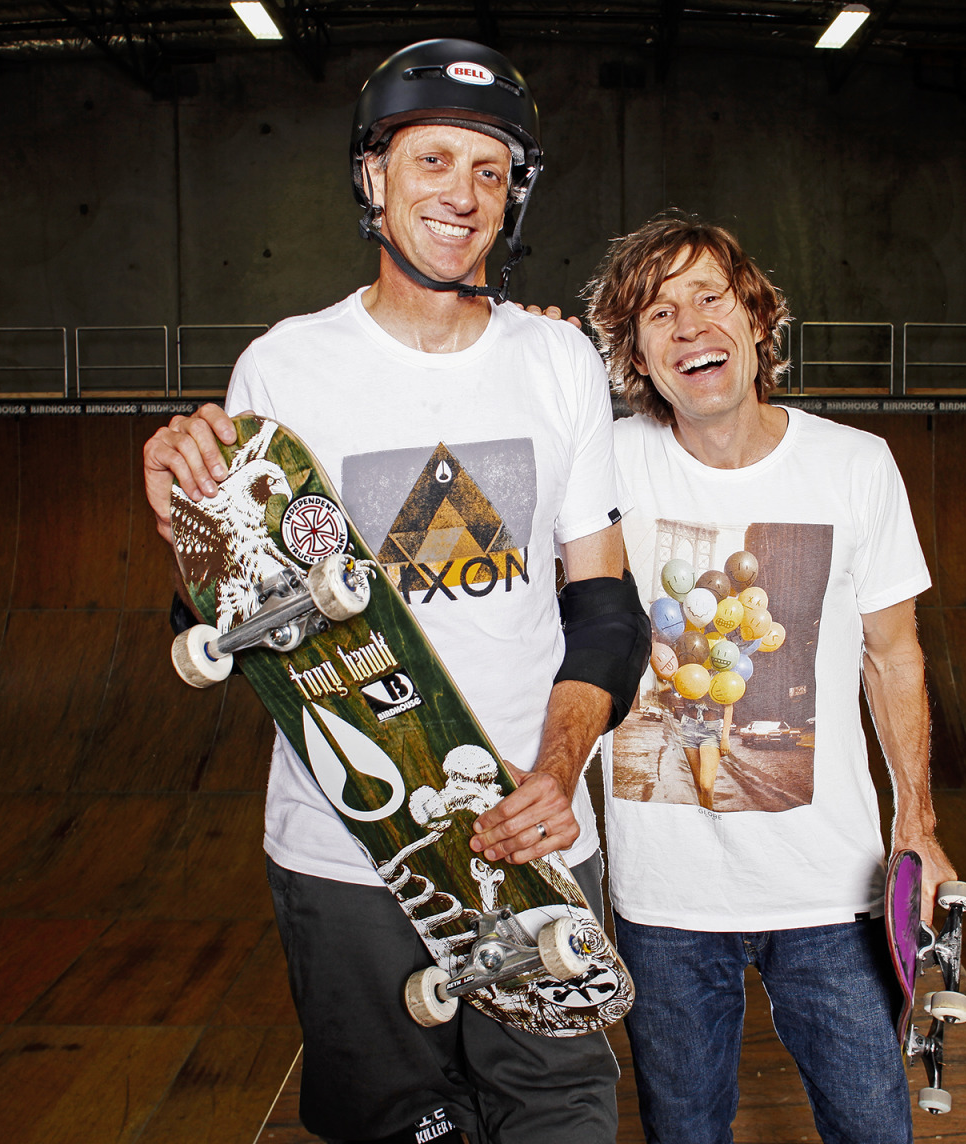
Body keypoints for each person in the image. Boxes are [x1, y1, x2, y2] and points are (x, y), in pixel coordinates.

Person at [143, 39, 648, 1144]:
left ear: (514, 194)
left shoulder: (558, 362)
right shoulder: (284, 367)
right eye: (431, 161)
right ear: (373, 177)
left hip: (531, 842)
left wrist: (559, 774)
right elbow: (223, 628)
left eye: (487, 169)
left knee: (560, 1113)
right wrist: (186, 528)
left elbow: (605, 608)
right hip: (351, 851)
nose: (460, 197)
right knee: (394, 1124)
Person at [581, 212, 957, 1144]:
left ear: (755, 317)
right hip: (661, 900)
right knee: (685, 1132)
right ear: (634, 353)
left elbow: (894, 654)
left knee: (875, 1128)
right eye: (657, 314)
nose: (690, 326)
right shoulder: (604, 463)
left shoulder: (855, 466)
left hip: (830, 889)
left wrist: (918, 826)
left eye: (709, 297)